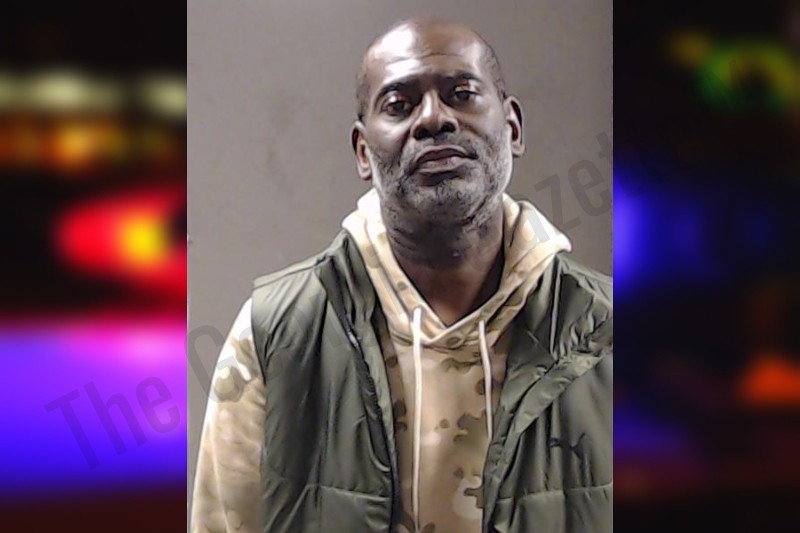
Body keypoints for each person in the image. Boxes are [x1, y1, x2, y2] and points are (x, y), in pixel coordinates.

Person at [191, 18, 612, 533]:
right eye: (399, 105)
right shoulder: (277, 331)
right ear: (363, 152)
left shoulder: (604, 329)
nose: (434, 119)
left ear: (513, 128)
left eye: (462, 94)